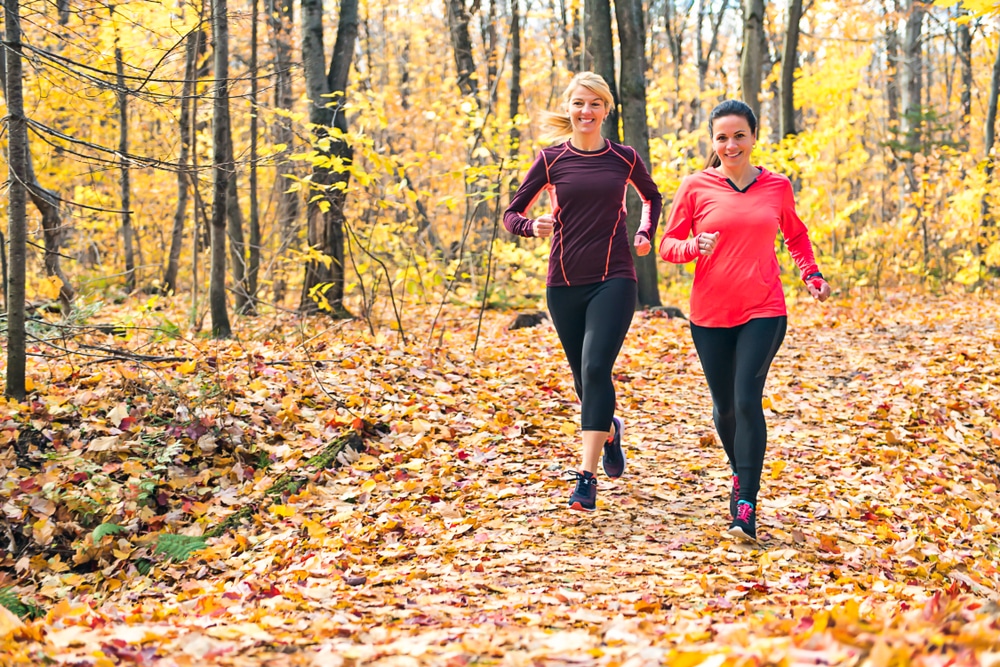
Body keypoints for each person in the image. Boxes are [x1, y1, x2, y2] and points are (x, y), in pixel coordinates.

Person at [658, 100, 831, 542]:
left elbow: (795, 234)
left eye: (739, 135)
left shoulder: (776, 186)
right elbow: (668, 246)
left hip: (764, 310)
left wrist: (810, 273)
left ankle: (746, 504)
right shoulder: (696, 186)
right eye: (721, 137)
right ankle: (741, 472)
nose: (730, 144)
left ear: (754, 136)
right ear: (712, 142)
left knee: (747, 399)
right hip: (710, 314)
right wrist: (695, 245)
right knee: (725, 408)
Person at [503, 72, 663, 512]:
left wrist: (646, 231)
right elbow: (511, 212)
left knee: (595, 369)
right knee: (583, 381)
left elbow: (651, 197)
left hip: (615, 277)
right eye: (578, 104)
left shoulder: (623, 157)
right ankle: (609, 429)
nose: (585, 112)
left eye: (594, 104)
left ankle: (586, 478)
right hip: (564, 283)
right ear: (569, 108)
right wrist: (529, 226)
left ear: (606, 111)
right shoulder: (551, 160)